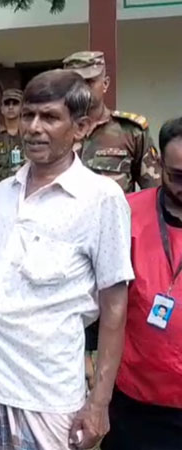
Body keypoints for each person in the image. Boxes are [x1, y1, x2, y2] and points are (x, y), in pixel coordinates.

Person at [0, 70, 133, 449]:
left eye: (49, 117)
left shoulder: (101, 199)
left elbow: (114, 307)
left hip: (48, 392)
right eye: (29, 115)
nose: (33, 127)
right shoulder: (2, 193)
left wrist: (99, 402)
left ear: (80, 128)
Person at [64, 51, 161, 382]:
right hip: (67, 251)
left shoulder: (129, 132)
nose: (83, 90)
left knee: (117, 327)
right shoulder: (58, 131)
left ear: (104, 84)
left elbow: (154, 194)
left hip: (118, 252)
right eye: (74, 83)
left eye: (89, 83)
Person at [100, 117, 182, 450]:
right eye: (177, 176)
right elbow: (102, 298)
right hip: (137, 399)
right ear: (159, 164)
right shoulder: (127, 214)